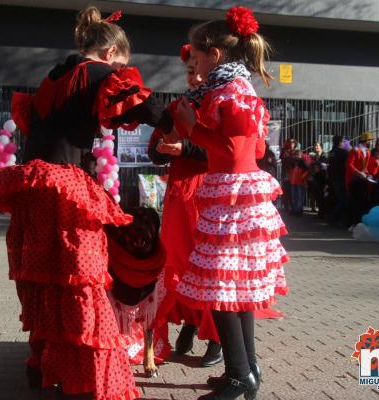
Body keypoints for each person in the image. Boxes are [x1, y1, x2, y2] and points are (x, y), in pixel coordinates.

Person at [0, 6, 174, 400]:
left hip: (34, 187)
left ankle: (45, 366)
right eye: (122, 62)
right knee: (80, 278)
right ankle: (83, 380)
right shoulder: (99, 73)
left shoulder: (54, 76)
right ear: (109, 54)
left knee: (46, 277)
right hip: (64, 188)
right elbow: (148, 109)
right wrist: (179, 116)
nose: (122, 70)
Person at [170, 7, 288, 399]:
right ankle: (246, 370)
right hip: (234, 195)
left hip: (234, 197)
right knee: (235, 290)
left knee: (222, 289)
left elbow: (235, 151)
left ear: (215, 55)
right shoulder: (232, 88)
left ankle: (241, 375)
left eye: (198, 57)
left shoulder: (232, 91)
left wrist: (191, 127)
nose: (195, 63)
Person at [147, 44, 222, 367]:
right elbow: (154, 152)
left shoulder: (222, 103)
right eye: (190, 71)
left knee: (210, 266)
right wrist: (165, 149)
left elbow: (227, 151)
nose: (194, 77)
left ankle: (218, 337)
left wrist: (186, 149)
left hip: (210, 194)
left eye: (198, 69)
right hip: (179, 197)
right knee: (177, 265)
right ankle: (190, 320)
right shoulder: (177, 106)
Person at [345, 131, 373, 228]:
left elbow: (366, 167)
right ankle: (351, 223)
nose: (371, 142)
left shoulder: (368, 152)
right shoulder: (355, 150)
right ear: (366, 141)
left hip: (363, 180)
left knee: (362, 202)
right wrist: (358, 173)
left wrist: (368, 174)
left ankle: (359, 222)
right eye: (370, 140)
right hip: (354, 180)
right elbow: (349, 165)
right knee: (353, 202)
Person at [327, 135, 349, 225]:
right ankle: (334, 217)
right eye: (343, 141)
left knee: (335, 198)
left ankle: (333, 217)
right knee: (342, 199)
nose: (344, 143)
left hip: (332, 178)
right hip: (340, 178)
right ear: (340, 142)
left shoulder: (331, 152)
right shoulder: (343, 152)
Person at [289, 150, 309, 216]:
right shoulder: (293, 162)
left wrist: (302, 177)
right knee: (294, 196)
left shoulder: (302, 162)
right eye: (296, 154)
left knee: (299, 197)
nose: (296, 156)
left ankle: (298, 210)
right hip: (293, 182)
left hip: (300, 182)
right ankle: (295, 209)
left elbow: (307, 170)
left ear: (301, 155)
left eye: (298, 154)